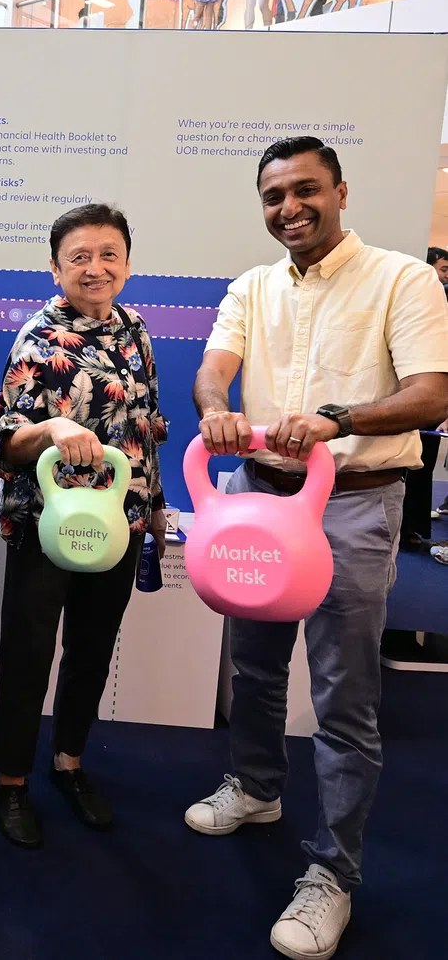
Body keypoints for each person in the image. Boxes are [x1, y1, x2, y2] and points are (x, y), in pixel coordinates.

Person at [185, 136, 448, 960]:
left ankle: (333, 872)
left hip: (354, 504)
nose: (290, 208)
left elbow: (431, 392)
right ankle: (258, 787)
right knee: (253, 665)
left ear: (341, 191)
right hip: (257, 498)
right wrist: (217, 408)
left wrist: (339, 419)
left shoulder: (402, 279)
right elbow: (211, 371)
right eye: (274, 197)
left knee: (344, 694)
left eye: (306, 191)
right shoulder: (252, 286)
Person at [0, 204, 169, 848]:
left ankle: (68, 763)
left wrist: (152, 505)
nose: (95, 269)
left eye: (108, 254)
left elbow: (149, 426)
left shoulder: (136, 331)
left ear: (126, 261)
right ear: (56, 267)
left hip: (118, 522)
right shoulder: (38, 338)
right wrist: (55, 429)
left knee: (92, 646)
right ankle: (10, 781)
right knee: (30, 654)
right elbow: (7, 442)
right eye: (79, 258)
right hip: (49, 525)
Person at [402, 247, 448, 541]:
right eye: (442, 269)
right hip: (414, 397)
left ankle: (414, 526)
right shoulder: (415, 304)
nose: (445, 276)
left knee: (423, 461)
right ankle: (409, 527)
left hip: (432, 398)